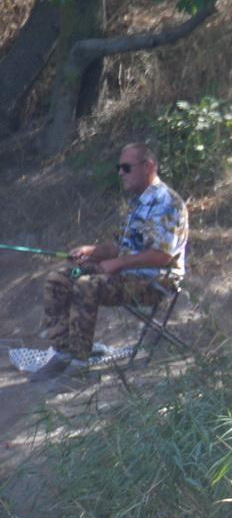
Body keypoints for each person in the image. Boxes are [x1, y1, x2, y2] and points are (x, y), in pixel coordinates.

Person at [26, 142, 188, 383]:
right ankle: (63, 353)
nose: (120, 173)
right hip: (128, 273)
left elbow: (163, 256)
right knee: (58, 279)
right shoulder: (136, 203)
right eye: (118, 168)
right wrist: (91, 251)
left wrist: (119, 263)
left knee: (86, 284)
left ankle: (80, 366)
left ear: (148, 166)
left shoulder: (168, 203)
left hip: (156, 280)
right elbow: (120, 247)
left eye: (126, 167)